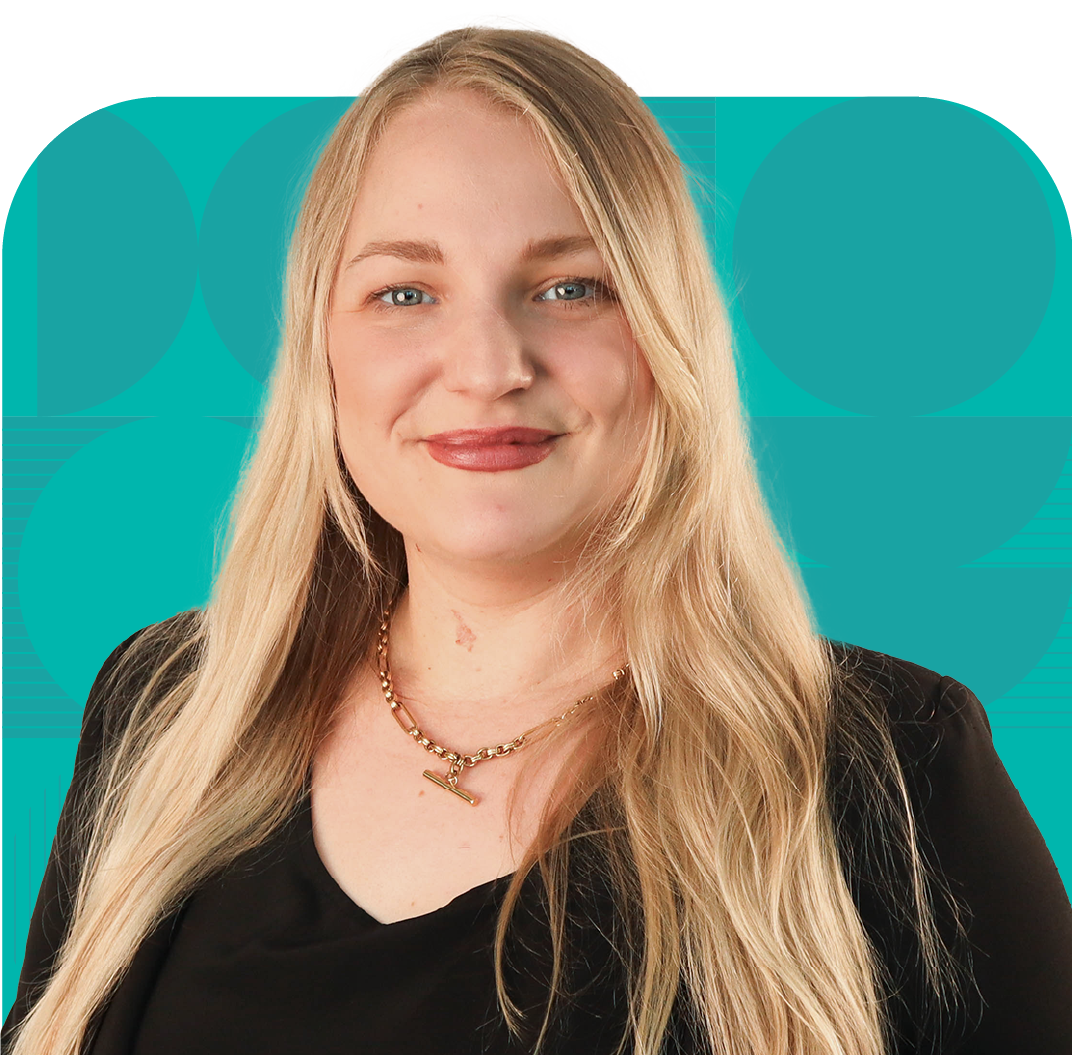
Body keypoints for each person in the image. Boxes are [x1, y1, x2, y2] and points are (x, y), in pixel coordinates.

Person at [4, 20, 1072, 1055]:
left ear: (666, 335)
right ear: (321, 349)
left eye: (570, 287)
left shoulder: (895, 768)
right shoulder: (166, 708)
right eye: (404, 291)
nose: (487, 366)